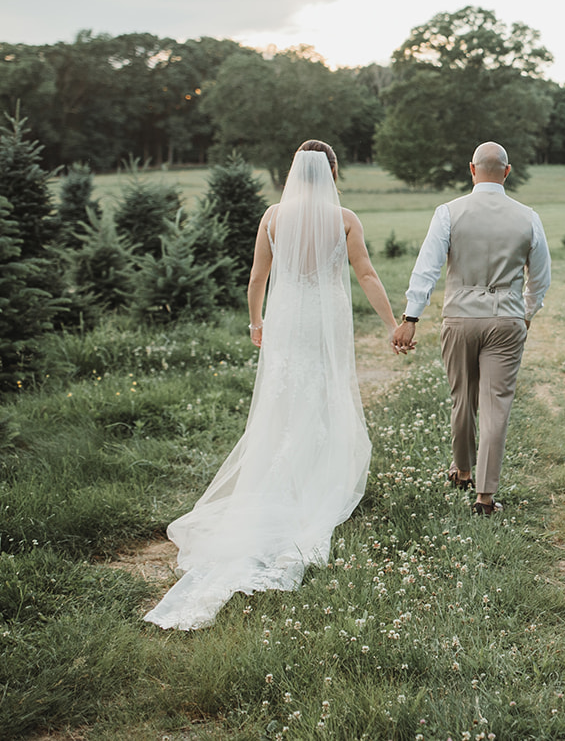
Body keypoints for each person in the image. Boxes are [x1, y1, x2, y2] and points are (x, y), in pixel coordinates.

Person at [145, 141, 398, 630]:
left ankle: (279, 477)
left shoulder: (273, 216)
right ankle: (313, 479)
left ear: (293, 174)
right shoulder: (344, 218)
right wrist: (390, 323)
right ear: (332, 172)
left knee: (283, 401)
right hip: (323, 318)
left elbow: (257, 276)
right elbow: (364, 273)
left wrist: (256, 322)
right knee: (322, 396)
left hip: (286, 319)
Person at [392, 142, 551, 517]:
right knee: (496, 405)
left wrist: (411, 318)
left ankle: (462, 470)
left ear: (472, 170)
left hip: (460, 317)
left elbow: (427, 267)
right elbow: (540, 277)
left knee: (462, 397)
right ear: (507, 172)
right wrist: (526, 313)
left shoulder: (449, 213)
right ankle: (485, 497)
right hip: (507, 319)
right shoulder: (528, 216)